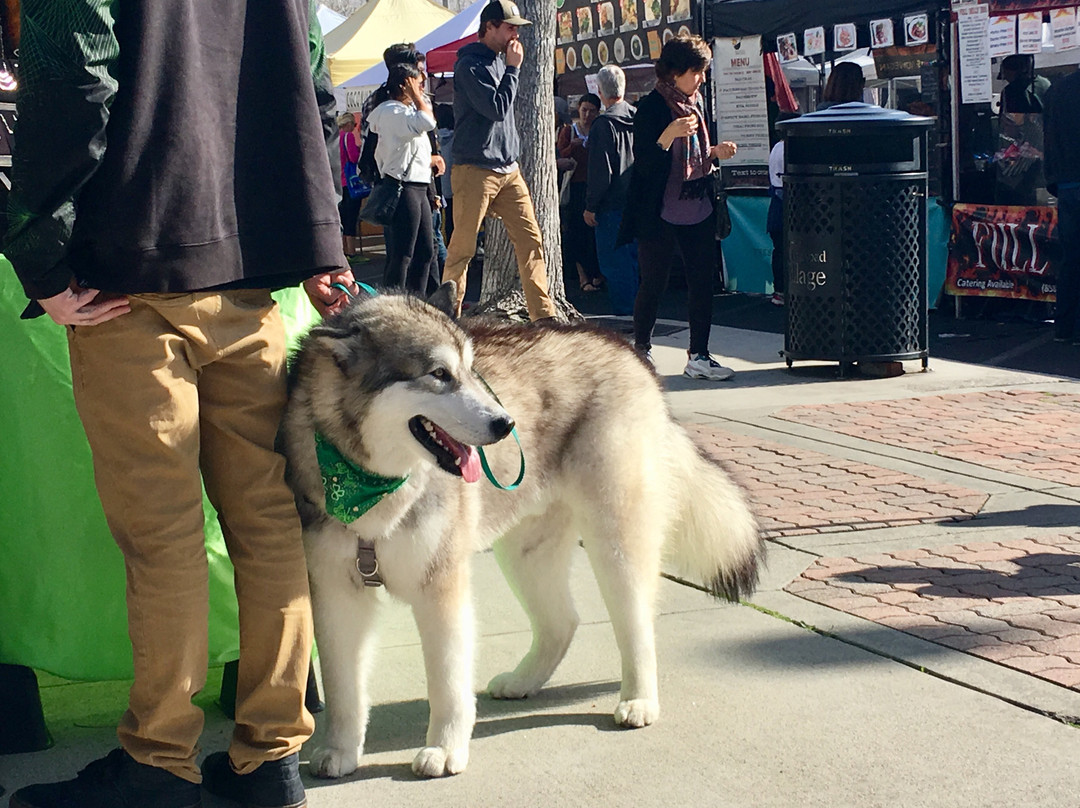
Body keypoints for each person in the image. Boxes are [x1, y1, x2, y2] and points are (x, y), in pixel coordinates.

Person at [4, 2, 356, 807]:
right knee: (267, 523)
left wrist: (38, 250)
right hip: (248, 271)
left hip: (128, 272)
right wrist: (319, 240)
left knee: (161, 534)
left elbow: (76, 74)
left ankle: (157, 761)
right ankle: (270, 757)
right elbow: (311, 80)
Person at [618, 34, 738, 380]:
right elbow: (644, 166)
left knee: (702, 281)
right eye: (696, 71)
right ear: (674, 72)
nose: (700, 78)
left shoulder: (698, 104)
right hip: (659, 210)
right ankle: (642, 348)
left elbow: (696, 155)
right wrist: (667, 135)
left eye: (703, 72)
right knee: (653, 281)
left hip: (698, 204)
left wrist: (714, 152)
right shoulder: (652, 107)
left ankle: (699, 354)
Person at [441, 0, 559, 321]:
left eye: (517, 28)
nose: (515, 34)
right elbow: (496, 108)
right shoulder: (469, 66)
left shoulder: (499, 60)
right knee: (462, 249)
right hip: (475, 168)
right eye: (509, 27)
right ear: (489, 27)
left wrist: (509, 68)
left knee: (531, 241)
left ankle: (544, 317)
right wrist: (513, 69)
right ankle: (448, 317)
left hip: (508, 168)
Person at [368, 63, 441, 292]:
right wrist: (416, 95)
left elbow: (418, 146)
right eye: (417, 84)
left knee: (426, 251)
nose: (422, 88)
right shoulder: (390, 112)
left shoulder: (406, 112)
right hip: (403, 186)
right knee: (403, 253)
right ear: (404, 86)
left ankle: (415, 301)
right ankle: (392, 302)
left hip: (419, 186)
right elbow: (428, 122)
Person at [584, 65, 638, 315]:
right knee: (636, 260)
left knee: (615, 263)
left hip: (610, 205)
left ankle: (626, 313)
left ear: (599, 90)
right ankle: (641, 310)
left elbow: (600, 172)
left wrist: (591, 206)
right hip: (637, 200)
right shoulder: (637, 117)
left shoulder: (603, 125)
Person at [1044, 67, 1080, 345]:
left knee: (1071, 258)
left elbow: (1048, 138)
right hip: (1068, 179)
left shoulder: (1056, 91)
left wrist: (1053, 180)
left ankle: (1065, 327)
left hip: (1066, 183)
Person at [558, 92, 603, 293]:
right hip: (575, 186)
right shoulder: (570, 131)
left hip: (595, 185)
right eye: (584, 110)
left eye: (592, 111)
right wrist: (571, 147)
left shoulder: (600, 130)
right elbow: (560, 155)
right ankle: (582, 276)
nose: (587, 115)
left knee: (594, 233)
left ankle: (597, 274)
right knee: (576, 232)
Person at [338, 112, 365, 260]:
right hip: (350, 181)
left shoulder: (335, 137)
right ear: (348, 124)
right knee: (352, 217)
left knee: (342, 217)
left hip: (339, 181)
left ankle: (343, 251)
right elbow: (353, 157)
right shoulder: (348, 137)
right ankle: (352, 252)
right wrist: (359, 148)